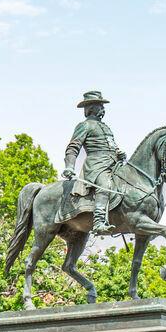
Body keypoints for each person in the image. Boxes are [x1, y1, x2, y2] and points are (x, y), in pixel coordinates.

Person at [62, 91, 127, 233]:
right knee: (105, 184)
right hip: (96, 166)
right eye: (100, 105)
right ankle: (98, 222)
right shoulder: (84, 126)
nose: (103, 108)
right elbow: (73, 147)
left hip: (113, 164)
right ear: (91, 108)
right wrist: (69, 166)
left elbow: (112, 146)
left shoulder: (106, 127)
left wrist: (120, 154)